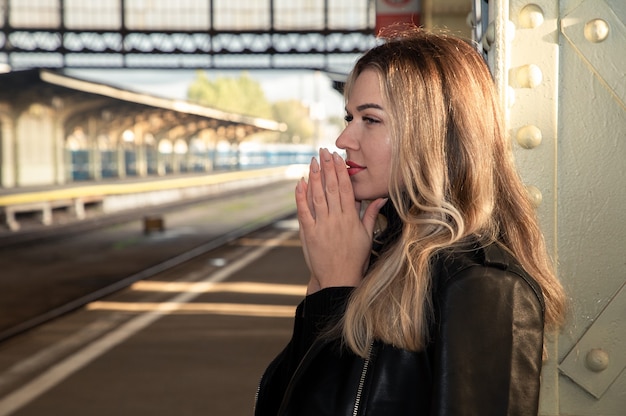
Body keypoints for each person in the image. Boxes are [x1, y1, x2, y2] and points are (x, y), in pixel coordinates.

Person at [255, 26, 567, 416]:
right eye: (349, 117)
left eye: (370, 120)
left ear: (432, 134)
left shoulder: (484, 285)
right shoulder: (383, 258)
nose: (343, 139)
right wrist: (324, 289)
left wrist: (335, 290)